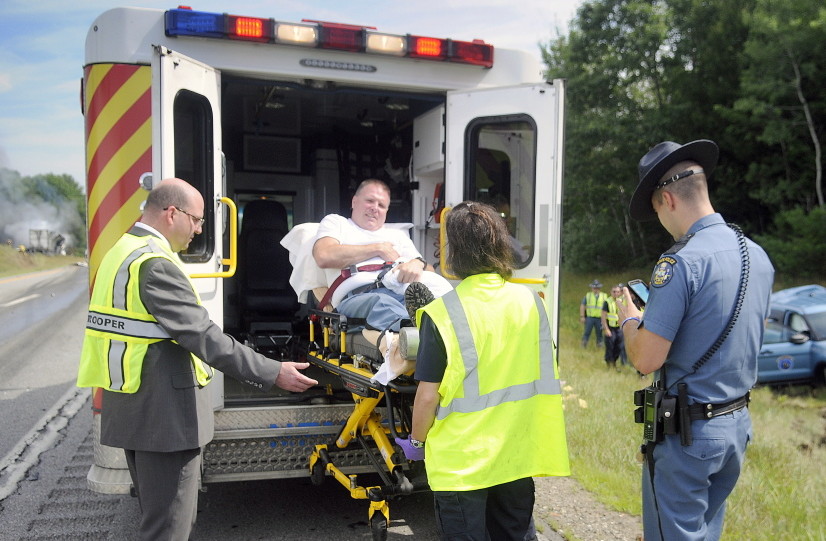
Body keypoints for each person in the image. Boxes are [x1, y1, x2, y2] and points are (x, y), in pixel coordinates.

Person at [77, 178, 317, 540]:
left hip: (136, 407)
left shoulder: (123, 249)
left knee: (158, 520)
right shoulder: (155, 265)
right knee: (169, 528)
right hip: (164, 419)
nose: (200, 229)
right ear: (172, 213)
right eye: (197, 219)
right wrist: (273, 372)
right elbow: (204, 337)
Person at [618, 140, 774, 541]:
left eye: (655, 212)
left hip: (689, 437)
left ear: (666, 199)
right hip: (736, 426)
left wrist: (629, 320)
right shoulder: (756, 255)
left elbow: (646, 359)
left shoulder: (680, 263)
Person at [396, 201, 570, 541]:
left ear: (453, 251)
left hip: (463, 465)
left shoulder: (442, 313)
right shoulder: (531, 301)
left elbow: (428, 395)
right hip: (516, 455)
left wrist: (417, 441)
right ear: (499, 245)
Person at [312, 178, 436, 333]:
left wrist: (418, 264)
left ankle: (429, 329)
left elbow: (431, 272)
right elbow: (324, 256)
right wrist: (378, 248)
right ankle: (419, 332)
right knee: (381, 302)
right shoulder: (337, 223)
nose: (375, 208)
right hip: (357, 298)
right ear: (354, 202)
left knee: (436, 302)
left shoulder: (397, 235)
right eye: (370, 201)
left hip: (401, 293)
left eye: (382, 205)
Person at [600, 284, 626, 370]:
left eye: (618, 292)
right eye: (614, 292)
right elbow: (603, 316)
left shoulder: (622, 301)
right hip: (610, 328)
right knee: (610, 346)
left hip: (619, 328)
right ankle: (609, 364)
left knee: (618, 347)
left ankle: (614, 362)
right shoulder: (607, 301)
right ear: (611, 292)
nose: (616, 293)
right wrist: (606, 329)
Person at [579, 279, 607, 348]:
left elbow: (606, 308)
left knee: (599, 333)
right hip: (590, 317)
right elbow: (583, 305)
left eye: (597, 288)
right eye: (594, 288)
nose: (595, 289)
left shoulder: (604, 296)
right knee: (587, 332)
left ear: (599, 288)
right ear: (592, 288)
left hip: (599, 318)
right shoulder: (588, 295)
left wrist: (605, 318)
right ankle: (584, 344)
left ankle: (599, 345)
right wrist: (582, 316)